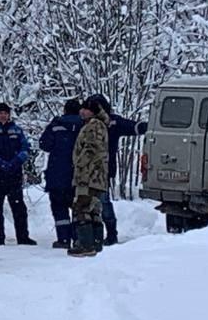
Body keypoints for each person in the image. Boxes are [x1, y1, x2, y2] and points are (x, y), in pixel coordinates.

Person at [83, 93, 148, 246]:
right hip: (94, 169)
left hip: (98, 169)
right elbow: (134, 127)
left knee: (100, 201)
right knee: (97, 202)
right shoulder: (89, 123)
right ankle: (99, 234)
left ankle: (105, 234)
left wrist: (147, 126)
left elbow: (134, 127)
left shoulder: (111, 123)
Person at [0, 103, 36, 246]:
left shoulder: (16, 130)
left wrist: (17, 161)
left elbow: (25, 148)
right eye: (0, 113)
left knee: (19, 208)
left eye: (5, 113)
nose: (3, 116)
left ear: (9, 114)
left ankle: (23, 237)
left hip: (13, 174)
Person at [38, 98, 83, 249]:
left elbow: (44, 144)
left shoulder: (56, 124)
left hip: (57, 173)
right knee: (78, 208)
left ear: (64, 110)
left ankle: (63, 239)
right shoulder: (85, 124)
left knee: (59, 208)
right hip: (78, 174)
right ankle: (78, 237)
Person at [70, 97, 110, 256]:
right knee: (93, 209)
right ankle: (96, 242)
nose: (82, 111)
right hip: (96, 176)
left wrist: (79, 164)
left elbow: (91, 148)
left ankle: (86, 244)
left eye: (85, 109)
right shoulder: (98, 125)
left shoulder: (94, 125)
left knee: (82, 207)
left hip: (89, 175)